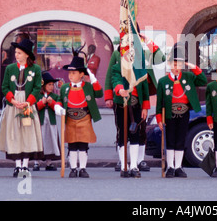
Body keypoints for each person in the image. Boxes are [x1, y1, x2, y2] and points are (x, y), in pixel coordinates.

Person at [105, 33, 165, 172]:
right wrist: (109, 95)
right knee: (122, 129)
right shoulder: (118, 53)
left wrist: (148, 41)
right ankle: (123, 161)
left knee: (140, 129)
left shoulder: (144, 52)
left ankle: (139, 160)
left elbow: (160, 58)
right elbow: (111, 75)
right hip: (122, 97)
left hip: (140, 96)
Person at [156, 46, 207, 178]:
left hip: (184, 112)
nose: (176, 66)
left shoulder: (188, 76)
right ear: (169, 64)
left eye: (179, 63)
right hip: (169, 114)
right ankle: (170, 167)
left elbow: (202, 80)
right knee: (170, 140)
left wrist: (193, 67)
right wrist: (158, 118)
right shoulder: (163, 81)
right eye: (174, 63)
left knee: (181, 139)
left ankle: (178, 166)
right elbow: (159, 101)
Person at [0, 38, 44, 177]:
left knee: (27, 134)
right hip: (14, 104)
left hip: (27, 104)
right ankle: (17, 166)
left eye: (19, 53)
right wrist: (12, 100)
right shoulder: (10, 68)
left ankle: (25, 165)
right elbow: (5, 86)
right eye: (16, 53)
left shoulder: (35, 69)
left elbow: (37, 88)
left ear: (27, 55)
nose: (16, 55)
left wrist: (28, 102)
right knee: (15, 134)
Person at [54, 49, 103, 178]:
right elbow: (59, 100)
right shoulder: (65, 88)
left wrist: (93, 79)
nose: (70, 75)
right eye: (69, 72)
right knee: (72, 144)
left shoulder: (88, 86)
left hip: (84, 117)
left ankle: (82, 168)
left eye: (74, 73)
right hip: (70, 118)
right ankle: (73, 168)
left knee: (83, 144)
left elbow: (99, 94)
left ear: (82, 74)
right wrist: (58, 108)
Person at [111, 60, 150, 178]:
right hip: (121, 105)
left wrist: (145, 107)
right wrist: (120, 89)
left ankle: (134, 165)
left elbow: (144, 88)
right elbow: (115, 80)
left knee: (135, 134)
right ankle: (124, 166)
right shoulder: (117, 67)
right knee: (122, 134)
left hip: (136, 105)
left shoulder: (139, 67)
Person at [33, 72, 60, 171]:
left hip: (51, 121)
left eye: (52, 84)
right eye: (49, 84)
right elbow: (34, 108)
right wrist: (42, 103)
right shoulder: (37, 95)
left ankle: (49, 161)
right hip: (40, 121)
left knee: (50, 139)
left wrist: (51, 102)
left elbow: (57, 108)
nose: (52, 87)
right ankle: (37, 162)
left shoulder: (55, 96)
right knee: (40, 140)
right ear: (43, 85)